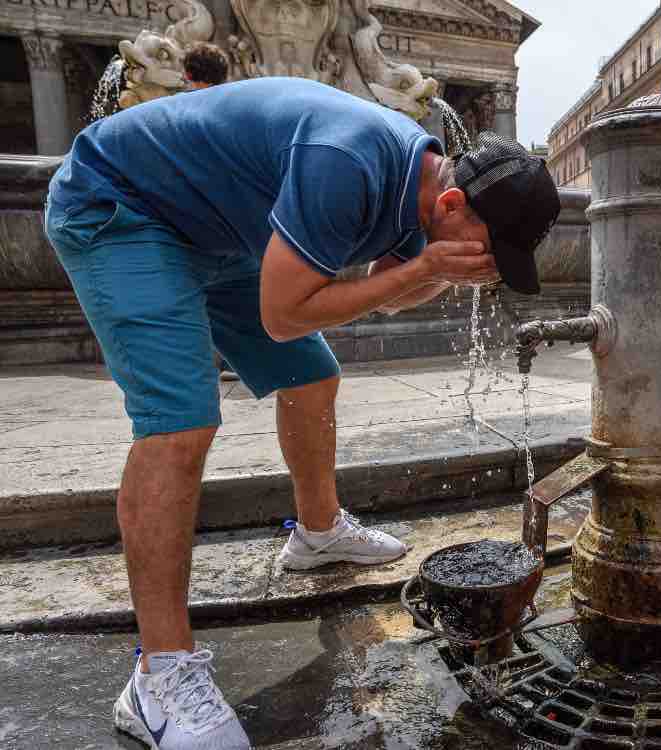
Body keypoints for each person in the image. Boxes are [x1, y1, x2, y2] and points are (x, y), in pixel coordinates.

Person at [44, 78, 560, 749]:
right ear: (455, 201)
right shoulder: (345, 161)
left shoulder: (426, 186)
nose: (486, 268)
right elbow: (284, 315)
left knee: (313, 378)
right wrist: (424, 268)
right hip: (122, 208)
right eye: (490, 252)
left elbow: (392, 298)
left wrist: (436, 268)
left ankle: (316, 533)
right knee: (180, 422)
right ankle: (159, 677)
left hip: (219, 233)